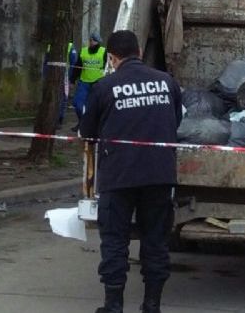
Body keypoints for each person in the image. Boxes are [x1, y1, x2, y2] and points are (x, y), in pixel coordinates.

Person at [80, 30, 182, 313]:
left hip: (118, 177)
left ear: (112, 58)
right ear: (138, 52)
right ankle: (152, 305)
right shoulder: (166, 82)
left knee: (114, 241)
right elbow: (176, 121)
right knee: (156, 240)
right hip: (159, 175)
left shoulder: (104, 87)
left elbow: (86, 133)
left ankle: (113, 306)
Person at [72, 32, 108, 132]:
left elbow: (108, 67)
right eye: (92, 40)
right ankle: (82, 122)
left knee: (96, 107)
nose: (93, 43)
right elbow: (77, 66)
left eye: (95, 41)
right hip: (84, 82)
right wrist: (73, 79)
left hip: (98, 84)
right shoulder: (83, 52)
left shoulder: (104, 52)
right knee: (77, 104)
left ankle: (94, 126)